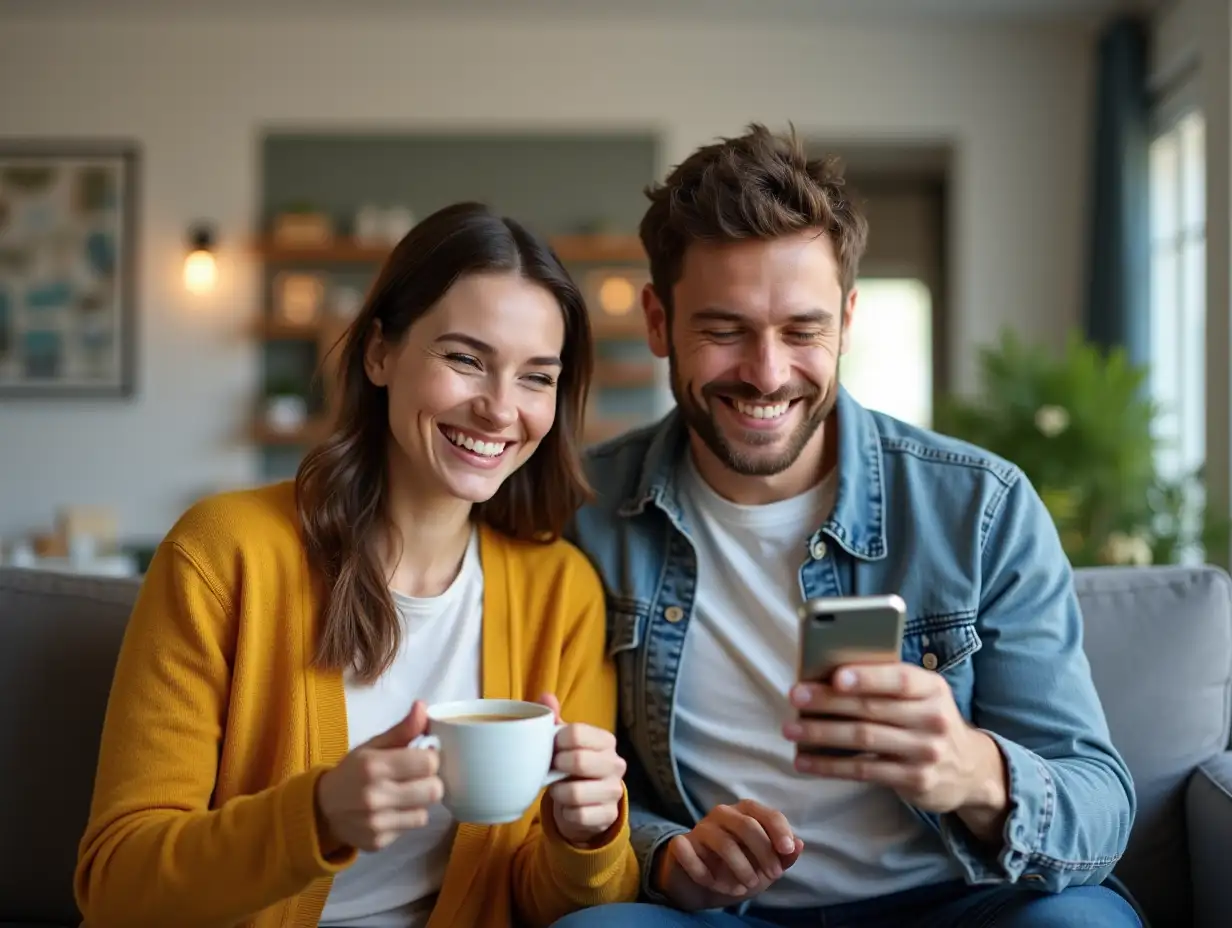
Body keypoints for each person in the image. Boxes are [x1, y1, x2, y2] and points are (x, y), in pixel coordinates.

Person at [555, 125, 1140, 927]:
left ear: (848, 319)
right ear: (659, 322)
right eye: (724, 330)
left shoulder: (981, 508)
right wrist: (665, 853)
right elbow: (570, 778)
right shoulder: (585, 512)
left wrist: (973, 771)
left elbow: (1100, 807)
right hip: (720, 918)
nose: (766, 373)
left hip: (953, 903)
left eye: (802, 331)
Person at [74, 202, 640, 928]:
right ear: (379, 353)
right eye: (465, 359)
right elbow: (116, 882)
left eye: (536, 377)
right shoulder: (223, 552)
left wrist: (586, 836)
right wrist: (318, 815)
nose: (501, 410)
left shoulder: (561, 593)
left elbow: (539, 896)